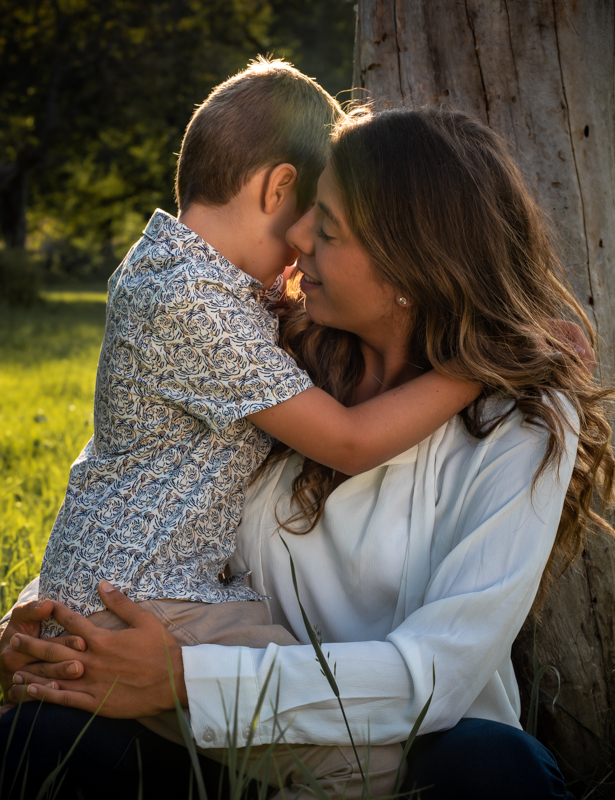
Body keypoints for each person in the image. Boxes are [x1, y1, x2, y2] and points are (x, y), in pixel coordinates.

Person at [1, 106, 613, 800]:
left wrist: (184, 679)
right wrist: (51, 631)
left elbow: (439, 672)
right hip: (216, 743)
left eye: (325, 228)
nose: (295, 237)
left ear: (410, 262)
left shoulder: (519, 423)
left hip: (404, 756)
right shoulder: (273, 355)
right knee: (33, 741)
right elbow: (137, 486)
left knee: (494, 769)